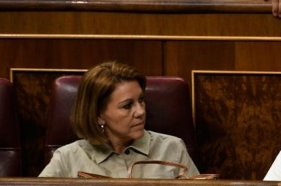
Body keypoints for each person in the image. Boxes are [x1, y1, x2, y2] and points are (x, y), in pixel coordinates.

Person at [39, 61, 200, 178]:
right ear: (98, 115)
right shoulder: (68, 158)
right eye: (127, 106)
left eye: (141, 100)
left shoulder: (172, 149)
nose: (140, 111)